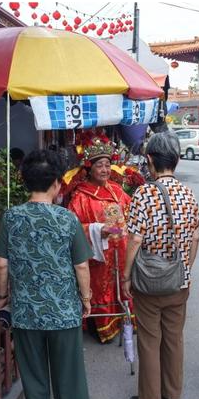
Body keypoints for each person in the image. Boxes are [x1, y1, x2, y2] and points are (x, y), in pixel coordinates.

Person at [0, 150, 93, 399]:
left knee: (33, 369)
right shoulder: (68, 219)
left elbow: (1, 264)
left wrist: (2, 297)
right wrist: (85, 298)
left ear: (26, 182)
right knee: (69, 367)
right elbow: (81, 265)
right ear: (56, 185)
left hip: (26, 311)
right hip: (63, 310)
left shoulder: (10, 218)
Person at [122, 131, 199, 399]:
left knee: (149, 339)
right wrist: (185, 269)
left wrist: (125, 276)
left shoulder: (143, 194)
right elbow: (195, 239)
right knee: (174, 339)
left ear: (150, 160)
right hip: (179, 283)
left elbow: (135, 240)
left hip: (148, 283)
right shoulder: (189, 195)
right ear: (178, 160)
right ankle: (173, 395)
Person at [68, 133, 133, 343]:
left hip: (120, 250)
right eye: (99, 166)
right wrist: (96, 230)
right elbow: (73, 227)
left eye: (107, 165)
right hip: (99, 255)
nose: (105, 170)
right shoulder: (81, 196)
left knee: (121, 284)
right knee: (100, 288)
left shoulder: (117, 191)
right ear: (89, 168)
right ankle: (100, 325)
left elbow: (130, 214)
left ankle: (125, 320)